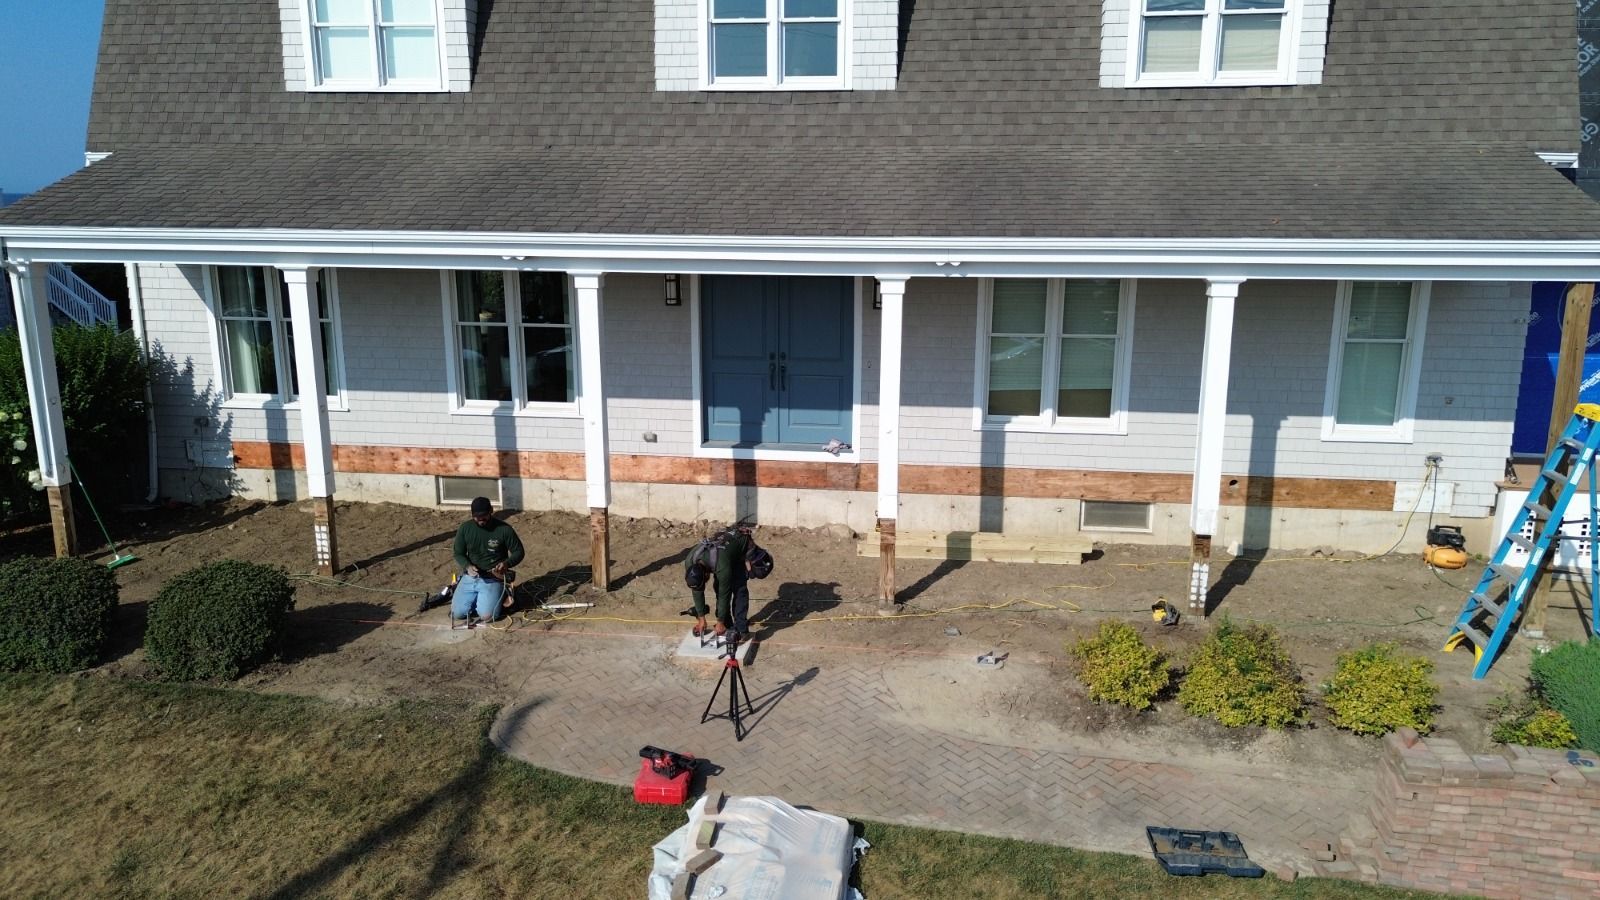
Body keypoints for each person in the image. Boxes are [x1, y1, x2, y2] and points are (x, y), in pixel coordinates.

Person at [684, 524, 774, 643]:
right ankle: (727, 624)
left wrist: (719, 622)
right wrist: (701, 618)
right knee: (718, 586)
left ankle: (741, 629)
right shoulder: (690, 562)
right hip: (722, 555)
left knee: (738, 588)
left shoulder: (722, 567)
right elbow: (697, 591)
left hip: (739, 548)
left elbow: (723, 595)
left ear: (706, 574)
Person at [450, 497, 525, 627]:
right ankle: (478, 599)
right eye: (476, 517)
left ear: (491, 511)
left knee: (487, 616)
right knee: (458, 614)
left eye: (483, 516)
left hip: (493, 578)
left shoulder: (504, 529)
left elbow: (519, 552)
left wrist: (506, 564)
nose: (480, 520)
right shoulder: (465, 528)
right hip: (471, 576)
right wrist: (467, 566)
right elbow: (458, 553)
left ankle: (502, 594)